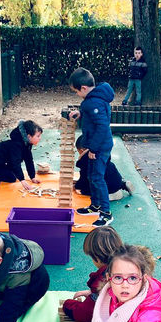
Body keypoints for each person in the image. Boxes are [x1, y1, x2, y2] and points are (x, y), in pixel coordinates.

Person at [69, 67, 115, 227]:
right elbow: (93, 115)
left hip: (100, 147)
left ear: (83, 88)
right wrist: (81, 113)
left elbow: (102, 126)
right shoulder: (94, 99)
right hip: (97, 144)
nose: (77, 94)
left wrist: (94, 149)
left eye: (76, 91)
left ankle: (106, 213)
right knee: (91, 175)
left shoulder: (94, 101)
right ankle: (95, 206)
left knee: (97, 177)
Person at [62, 226, 123, 322]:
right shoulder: (124, 269)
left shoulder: (103, 281)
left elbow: (86, 313)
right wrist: (91, 292)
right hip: (127, 320)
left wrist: (68, 305)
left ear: (98, 258)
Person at [0, 120, 43, 191]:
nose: (40, 138)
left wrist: (32, 177)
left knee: (14, 171)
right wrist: (22, 180)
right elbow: (15, 163)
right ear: (29, 136)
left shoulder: (26, 144)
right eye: (38, 136)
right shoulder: (16, 146)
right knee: (11, 178)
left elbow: (29, 160)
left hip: (5, 159)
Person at [74, 136, 135, 201]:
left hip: (109, 187)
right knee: (108, 173)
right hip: (117, 180)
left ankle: (113, 194)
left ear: (81, 150)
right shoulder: (101, 152)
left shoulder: (85, 161)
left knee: (88, 189)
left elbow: (84, 179)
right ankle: (123, 184)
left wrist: (78, 187)